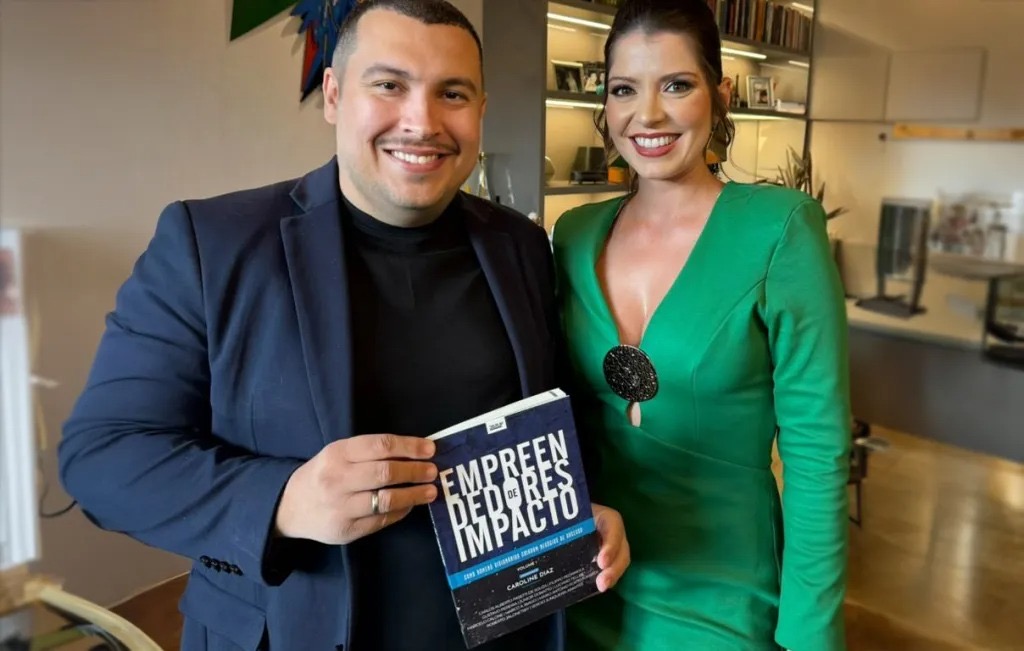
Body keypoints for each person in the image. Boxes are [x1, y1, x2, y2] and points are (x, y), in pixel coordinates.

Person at [58, 2, 629, 650]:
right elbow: (101, 455)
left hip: (505, 629)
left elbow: (554, 413)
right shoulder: (211, 244)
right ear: (333, 94)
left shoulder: (520, 246)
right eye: (389, 85)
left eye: (452, 93)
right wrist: (284, 500)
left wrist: (580, 505)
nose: (422, 122)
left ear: (481, 109)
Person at [551, 1, 850, 649]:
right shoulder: (572, 234)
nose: (648, 115)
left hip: (724, 596)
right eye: (624, 89)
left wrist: (811, 633)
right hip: (587, 582)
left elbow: (817, 452)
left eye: (676, 85)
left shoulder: (780, 229)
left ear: (721, 95)